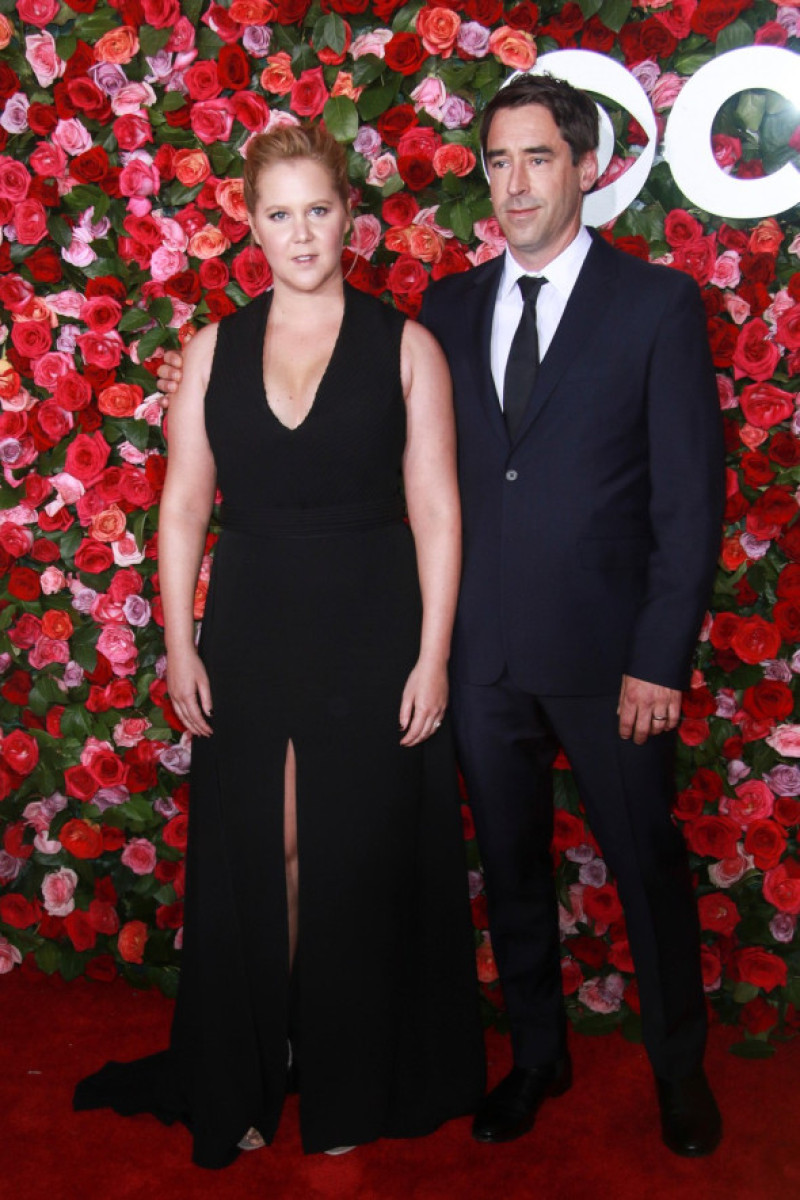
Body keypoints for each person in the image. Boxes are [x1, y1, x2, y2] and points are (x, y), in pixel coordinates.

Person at [156, 75, 726, 1159]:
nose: (514, 182)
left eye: (537, 159)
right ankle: (533, 1059)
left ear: (582, 168)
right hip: (473, 656)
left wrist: (658, 657)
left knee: (642, 864)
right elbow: (409, 488)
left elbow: (686, 499)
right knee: (507, 869)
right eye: (498, 162)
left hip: (602, 657)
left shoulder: (652, 305)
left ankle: (678, 1072)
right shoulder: (452, 307)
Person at [74, 123, 485, 1168]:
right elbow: (180, 510)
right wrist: (177, 643)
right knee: (270, 853)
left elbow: (437, 511)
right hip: (251, 627)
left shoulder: (406, 346)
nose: (300, 233)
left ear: (349, 212)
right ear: (248, 225)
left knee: (352, 861)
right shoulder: (212, 346)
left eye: (317, 209)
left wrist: (432, 656)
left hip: (371, 628)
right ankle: (256, 1065)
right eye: (278, 213)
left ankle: (349, 1077)